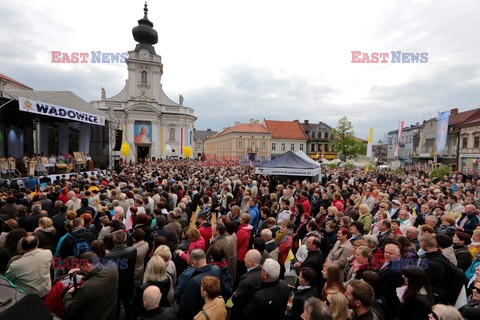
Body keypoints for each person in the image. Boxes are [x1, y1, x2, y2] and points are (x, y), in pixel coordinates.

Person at [63, 251, 119, 320]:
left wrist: (68, 294)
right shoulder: (113, 268)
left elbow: (71, 310)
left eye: (80, 266)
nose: (80, 268)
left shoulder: (86, 288)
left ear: (86, 266)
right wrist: (81, 270)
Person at [178, 249, 221, 320]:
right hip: (213, 308)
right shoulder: (216, 269)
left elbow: (187, 306)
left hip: (200, 315)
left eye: (192, 264)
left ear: (195, 263)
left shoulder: (194, 281)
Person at [105, 230, 137, 320]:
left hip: (115, 284)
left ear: (114, 241)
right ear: (125, 240)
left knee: (116, 306)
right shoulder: (133, 250)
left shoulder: (108, 256)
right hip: (128, 282)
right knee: (127, 305)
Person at [231, 249, 262, 320]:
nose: (244, 259)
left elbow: (236, 298)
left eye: (246, 257)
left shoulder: (247, 281)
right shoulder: (260, 270)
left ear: (251, 262)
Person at [379, 243, 404, 320]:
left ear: (398, 255)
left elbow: (386, 289)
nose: (387, 254)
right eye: (386, 252)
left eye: (390, 253)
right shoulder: (389, 262)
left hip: (388, 303)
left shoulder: (397, 271)